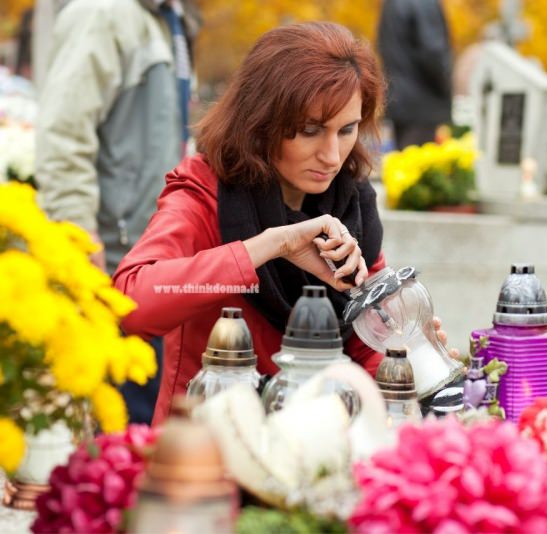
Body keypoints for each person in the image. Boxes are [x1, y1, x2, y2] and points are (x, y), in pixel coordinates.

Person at [113, 22, 390, 425]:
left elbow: (368, 349)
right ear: (262, 122)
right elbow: (131, 303)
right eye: (310, 131)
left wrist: (404, 349)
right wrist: (270, 245)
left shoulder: (352, 202)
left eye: (346, 130)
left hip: (317, 449)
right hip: (204, 450)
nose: (332, 155)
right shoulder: (206, 191)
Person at [35, 0, 200, 423]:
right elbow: (64, 132)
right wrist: (78, 232)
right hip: (109, 261)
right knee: (117, 426)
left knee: (142, 421)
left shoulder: (170, 20)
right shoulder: (103, 13)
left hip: (152, 260)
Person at [377, 0, 453, 149]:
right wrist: (446, 86)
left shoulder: (391, 4)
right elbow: (433, 53)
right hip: (425, 102)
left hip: (399, 99)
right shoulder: (424, 3)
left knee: (405, 165)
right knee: (422, 165)